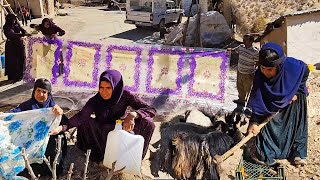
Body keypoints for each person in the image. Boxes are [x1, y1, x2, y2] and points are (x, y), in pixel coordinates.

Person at [50, 70, 157, 163]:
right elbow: (81, 116)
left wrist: (134, 114)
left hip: (122, 131)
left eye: (108, 88)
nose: (103, 92)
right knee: (85, 122)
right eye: (101, 87)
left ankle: (136, 157)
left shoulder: (125, 96)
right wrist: (62, 128)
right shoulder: (96, 100)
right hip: (102, 133)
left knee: (149, 123)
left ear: (116, 87)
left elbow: (151, 110)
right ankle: (98, 156)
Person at [246, 42, 310, 166]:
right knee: (263, 143)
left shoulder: (293, 66)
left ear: (279, 65)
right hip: (272, 109)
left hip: (293, 101)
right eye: (262, 68)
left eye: (269, 69)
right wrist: (254, 122)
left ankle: (297, 153)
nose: (265, 72)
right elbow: (258, 102)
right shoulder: (260, 76)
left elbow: (305, 70)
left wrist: (297, 90)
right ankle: (269, 153)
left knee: (296, 125)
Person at [6, 78, 68, 176]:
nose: (40, 94)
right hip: (31, 142)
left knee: (56, 144)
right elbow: (13, 114)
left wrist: (59, 128)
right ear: (34, 91)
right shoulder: (27, 106)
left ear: (48, 94)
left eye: (44, 92)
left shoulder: (54, 109)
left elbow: (67, 124)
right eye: (38, 90)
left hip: (49, 140)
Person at [229, 34, 259, 106]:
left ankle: (250, 103)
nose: (243, 41)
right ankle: (241, 100)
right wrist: (230, 50)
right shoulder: (241, 47)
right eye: (243, 40)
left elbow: (257, 62)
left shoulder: (255, 52)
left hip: (248, 74)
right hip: (240, 71)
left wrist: (253, 70)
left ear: (251, 41)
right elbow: (234, 51)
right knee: (240, 87)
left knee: (248, 88)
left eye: (246, 40)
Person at [3, 13, 30, 81]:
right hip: (11, 46)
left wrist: (25, 32)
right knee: (13, 61)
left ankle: (21, 74)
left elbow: (22, 30)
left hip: (19, 44)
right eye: (13, 18)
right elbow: (11, 34)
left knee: (21, 59)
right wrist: (22, 35)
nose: (14, 20)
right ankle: (13, 76)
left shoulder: (16, 24)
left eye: (15, 18)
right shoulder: (6, 26)